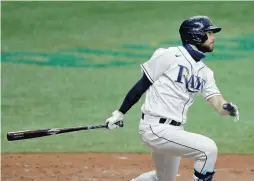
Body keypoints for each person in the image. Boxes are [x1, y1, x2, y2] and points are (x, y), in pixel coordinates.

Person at [105, 15, 239, 181]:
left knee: (162, 178)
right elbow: (142, 85)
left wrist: (227, 108)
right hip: (155, 128)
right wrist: (120, 113)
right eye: (209, 33)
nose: (214, 37)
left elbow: (217, 102)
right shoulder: (169, 55)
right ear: (196, 35)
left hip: (174, 131)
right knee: (208, 149)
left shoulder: (205, 73)